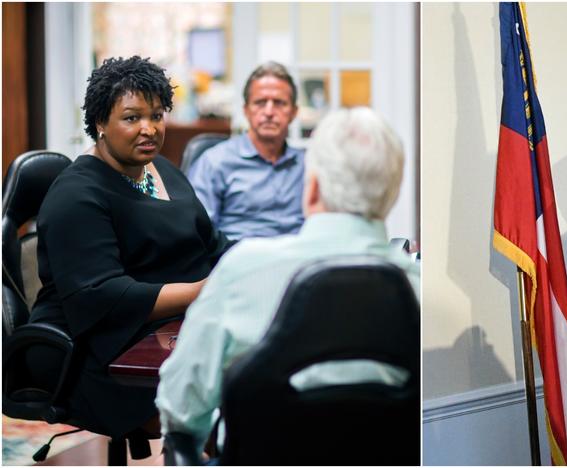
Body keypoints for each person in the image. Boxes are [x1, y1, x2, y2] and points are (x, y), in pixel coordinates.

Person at [156, 107, 419, 453]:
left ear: (311, 190)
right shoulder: (417, 286)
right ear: (392, 193)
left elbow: (180, 408)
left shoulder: (242, 271)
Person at [29, 56, 232, 441]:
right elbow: (102, 296)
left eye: (157, 116)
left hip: (171, 326)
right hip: (97, 348)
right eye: (132, 117)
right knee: (232, 397)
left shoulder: (163, 171)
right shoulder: (76, 195)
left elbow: (212, 243)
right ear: (100, 123)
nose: (149, 129)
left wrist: (254, 264)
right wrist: (201, 293)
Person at [188, 61, 305, 242]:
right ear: (246, 110)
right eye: (260, 102)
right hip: (239, 261)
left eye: (279, 103)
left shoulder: (308, 166)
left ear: (294, 112)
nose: (269, 112)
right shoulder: (215, 162)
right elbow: (198, 233)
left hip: (299, 264)